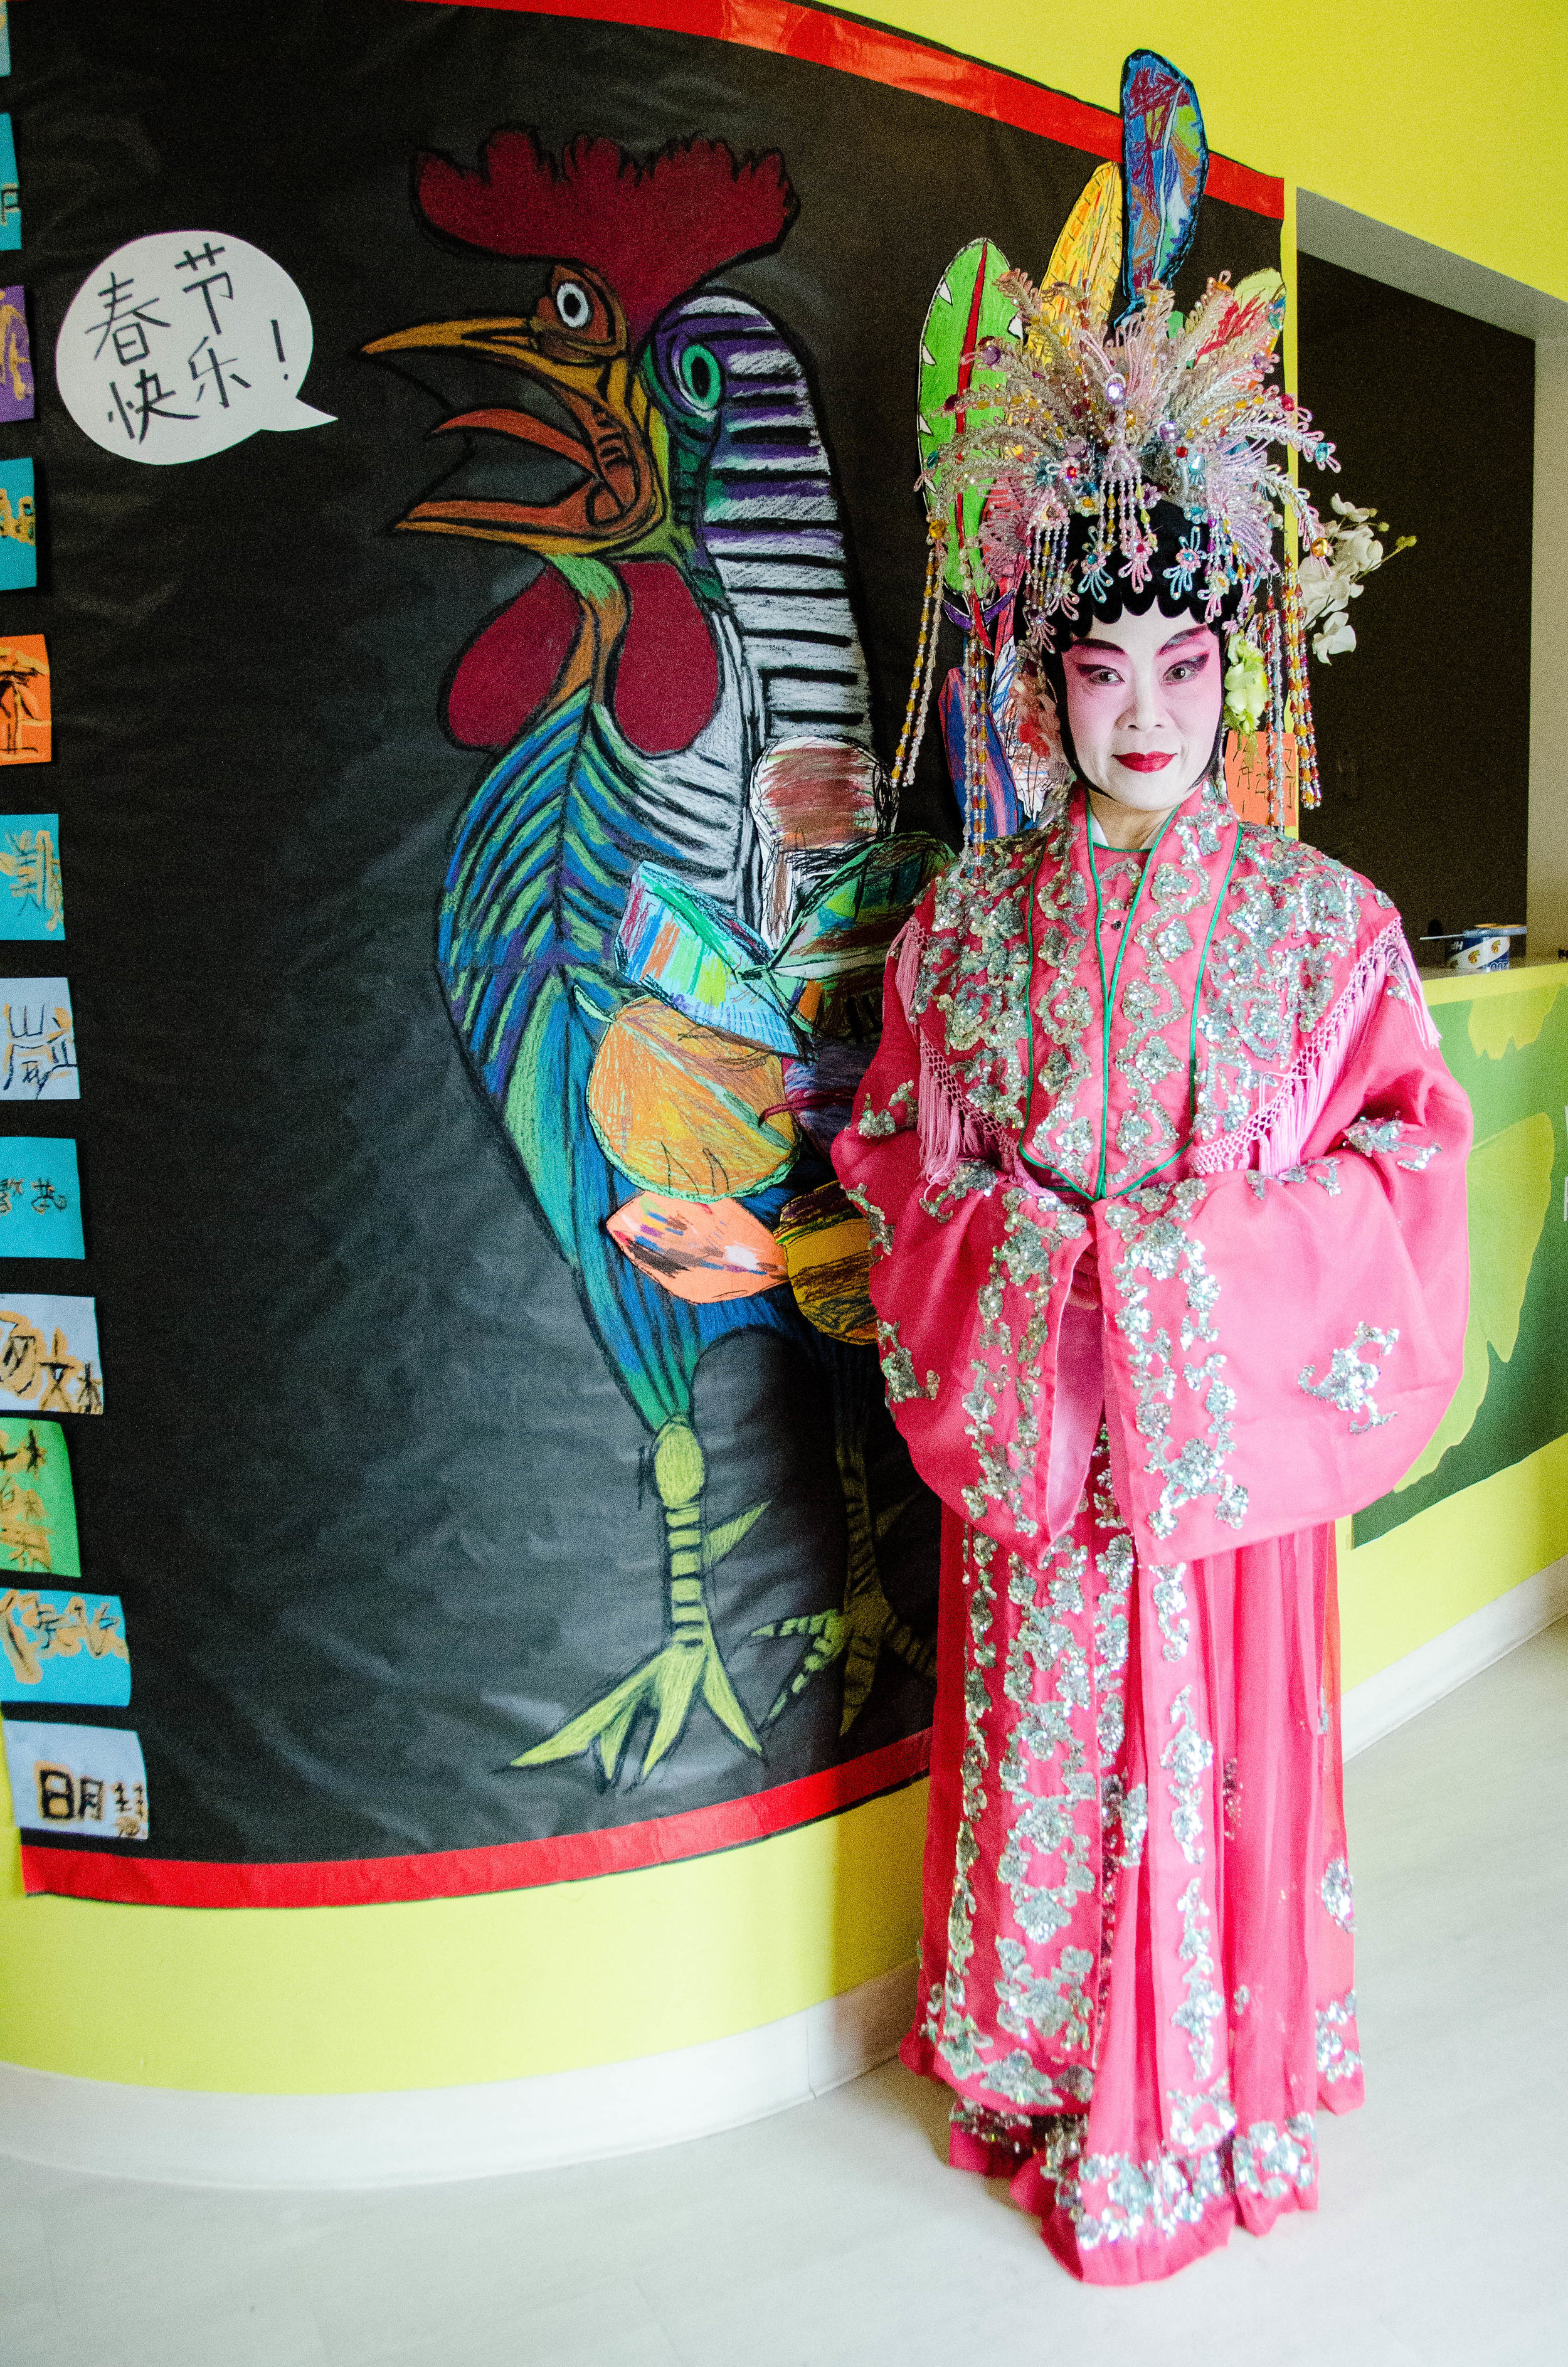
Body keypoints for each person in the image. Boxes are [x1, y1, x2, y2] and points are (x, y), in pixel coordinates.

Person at [834, 114, 1471, 2284]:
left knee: (1218, 1756)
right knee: (1041, 1735)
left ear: (1240, 673)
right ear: (1039, 678)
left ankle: (1211, 2088)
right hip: (1046, 1454)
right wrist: (1031, 1268)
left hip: (1216, 1468)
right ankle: (1033, 2059)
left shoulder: (1331, 925)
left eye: (1182, 669)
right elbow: (897, 1157)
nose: (1140, 715)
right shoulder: (964, 932)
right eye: (1096, 671)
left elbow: (1401, 1170)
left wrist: (1187, 1277)